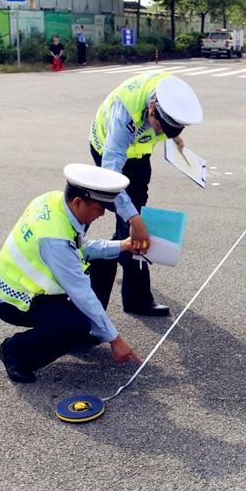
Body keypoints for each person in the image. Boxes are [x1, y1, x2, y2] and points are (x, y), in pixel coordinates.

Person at [0, 163, 143, 384]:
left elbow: (81, 248)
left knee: (105, 262)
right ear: (78, 202)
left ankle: (79, 332)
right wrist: (114, 339)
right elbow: (81, 292)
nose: (101, 214)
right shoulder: (55, 240)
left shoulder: (53, 200)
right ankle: (15, 351)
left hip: (34, 287)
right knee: (76, 324)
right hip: (14, 299)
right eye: (99, 208)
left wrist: (123, 245)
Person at [88, 72, 203, 317]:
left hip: (139, 155)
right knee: (132, 221)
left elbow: (167, 122)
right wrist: (133, 219)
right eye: (159, 126)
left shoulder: (171, 94)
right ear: (152, 107)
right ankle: (135, 299)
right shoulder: (126, 114)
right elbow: (111, 175)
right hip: (107, 153)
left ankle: (119, 248)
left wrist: (175, 137)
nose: (160, 131)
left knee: (131, 217)